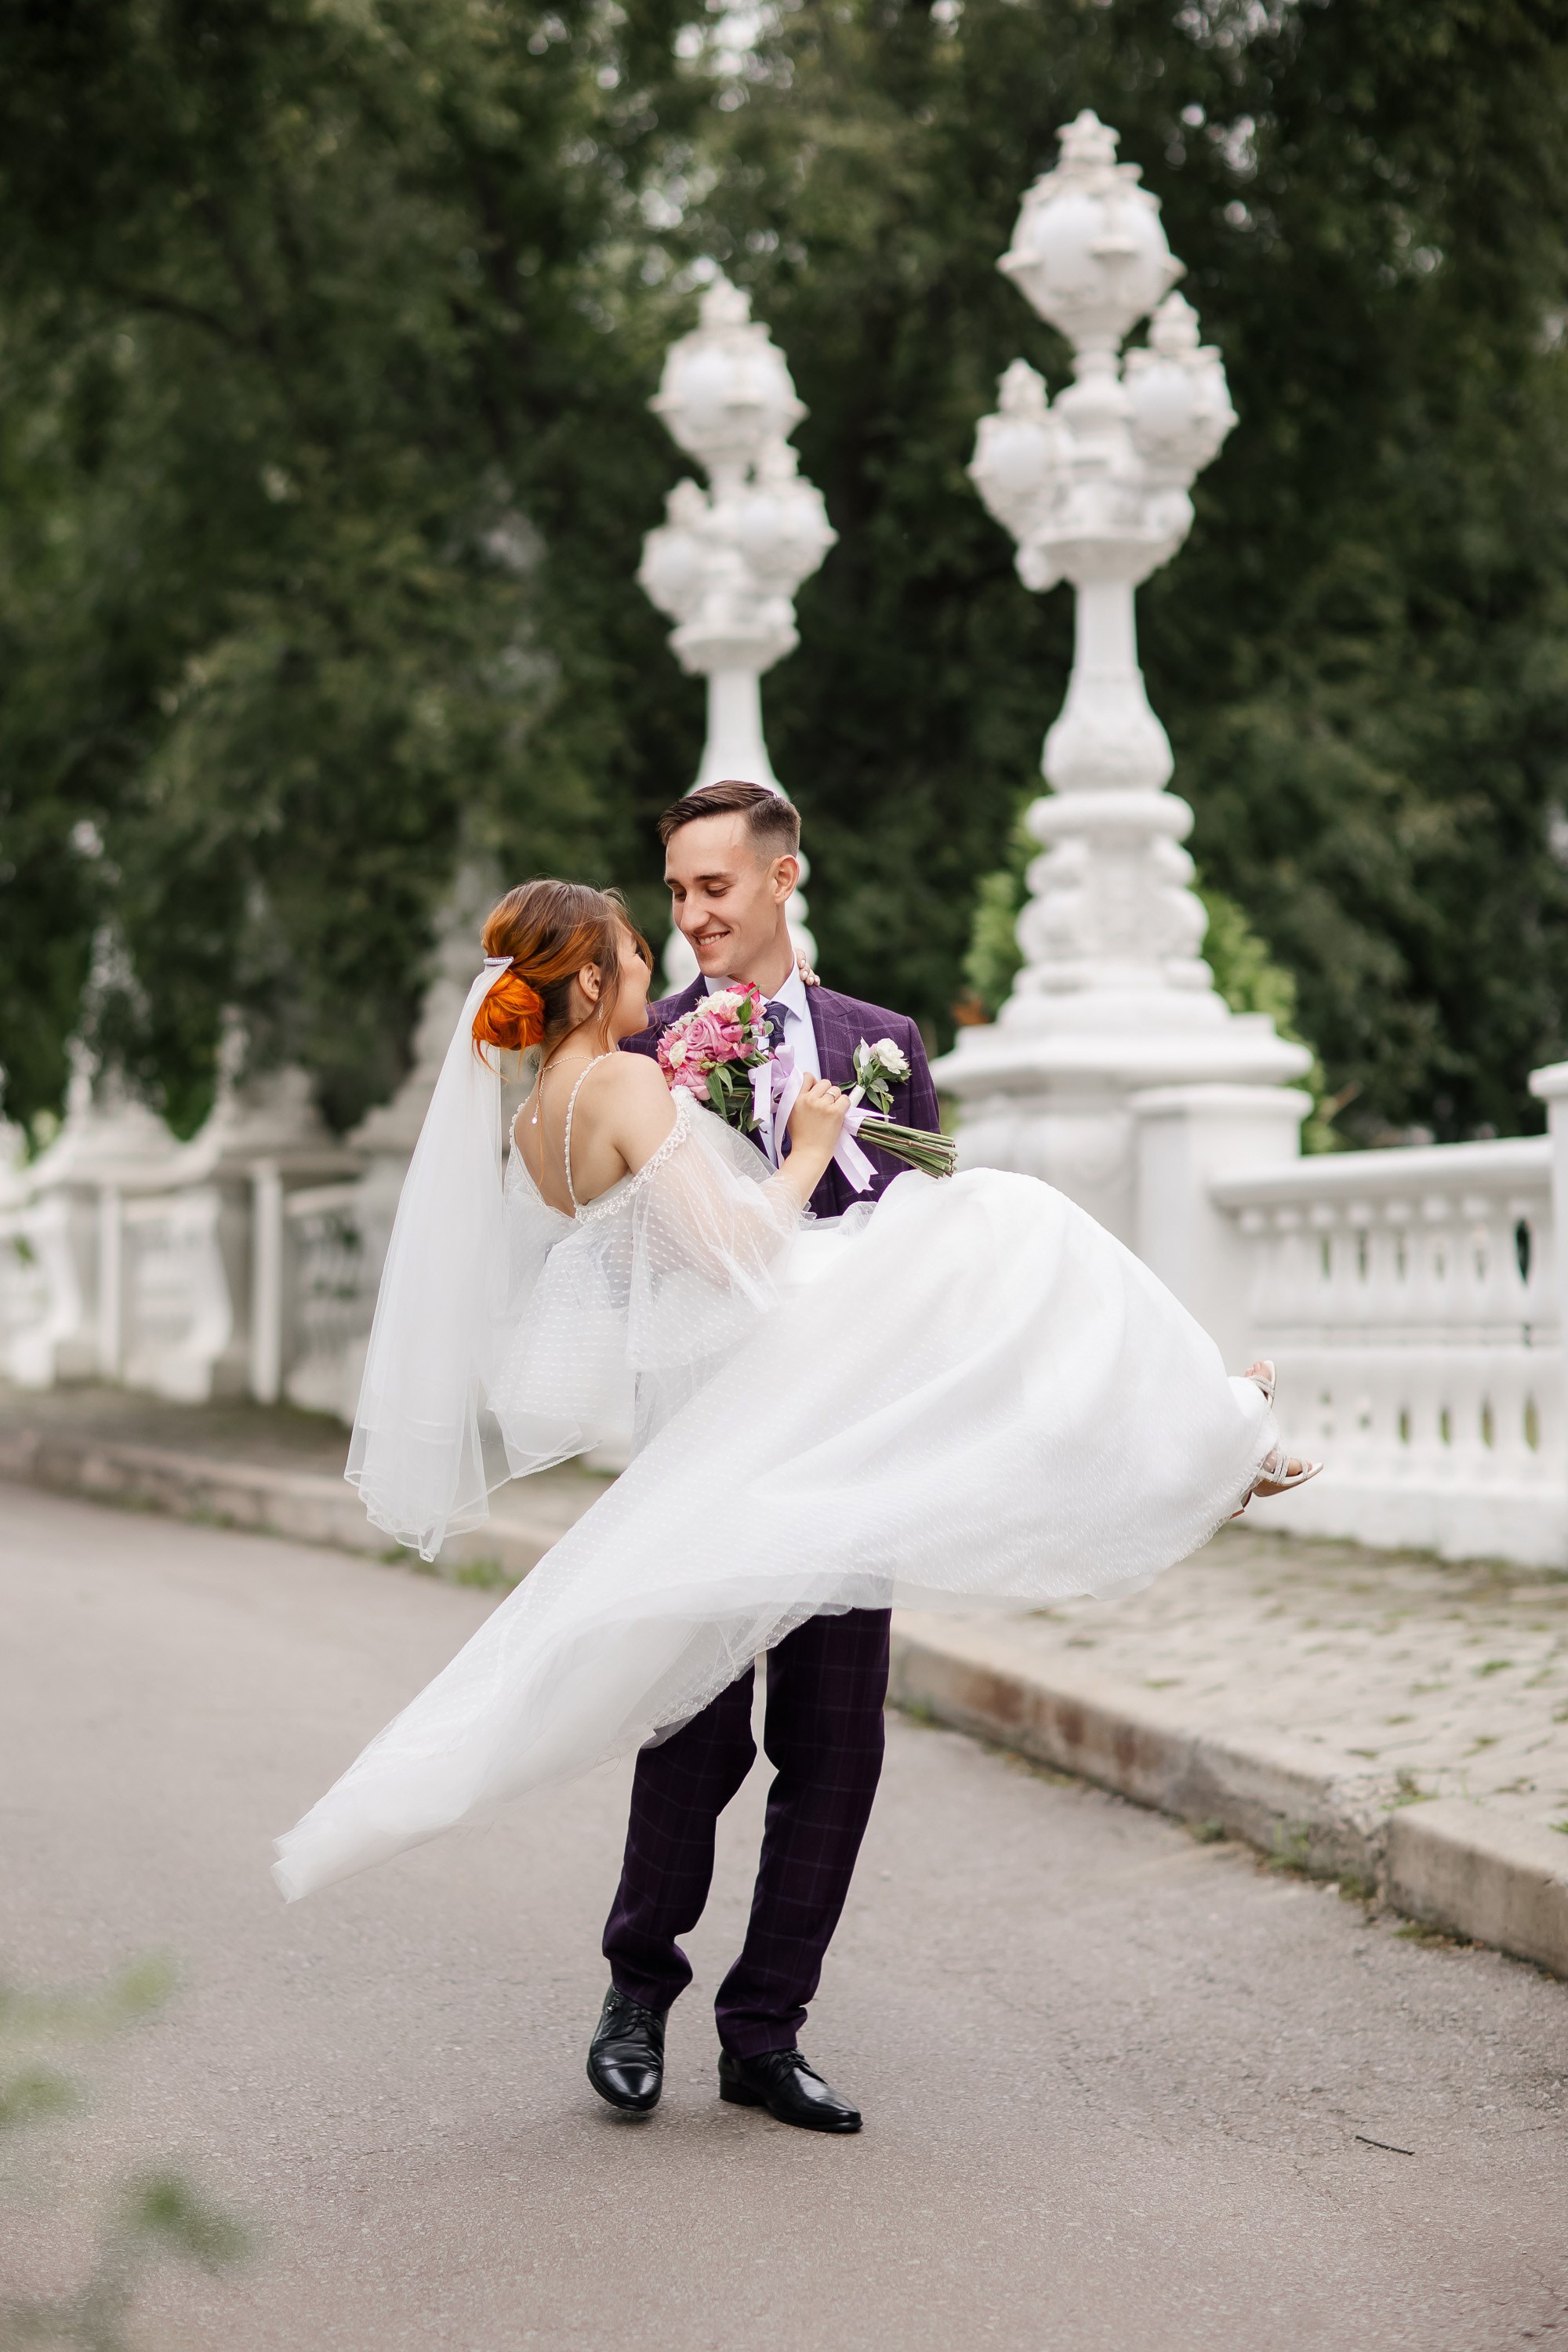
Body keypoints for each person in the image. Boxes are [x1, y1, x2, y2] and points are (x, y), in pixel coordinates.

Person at [272, 802, 1316, 2140]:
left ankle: (766, 2033)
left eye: (714, 886)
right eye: (674, 892)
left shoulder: (882, 1043)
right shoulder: (627, 1057)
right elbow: (638, 1252)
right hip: (709, 1444)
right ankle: (633, 2002)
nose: (693, 913)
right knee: (688, 1736)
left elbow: (925, 1242)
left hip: (849, 1449)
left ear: (782, 878)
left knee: (834, 1750)